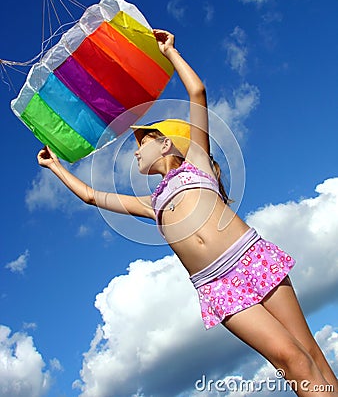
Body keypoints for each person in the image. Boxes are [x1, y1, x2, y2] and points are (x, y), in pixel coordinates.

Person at [37, 29, 337, 396]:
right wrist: (55, 167)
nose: (134, 152)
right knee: (290, 360)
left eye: (141, 142)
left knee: (311, 354)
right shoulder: (152, 203)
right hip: (216, 285)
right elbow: (90, 195)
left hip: (249, 258)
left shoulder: (197, 164)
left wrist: (169, 52)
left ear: (165, 143)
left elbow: (197, 93)